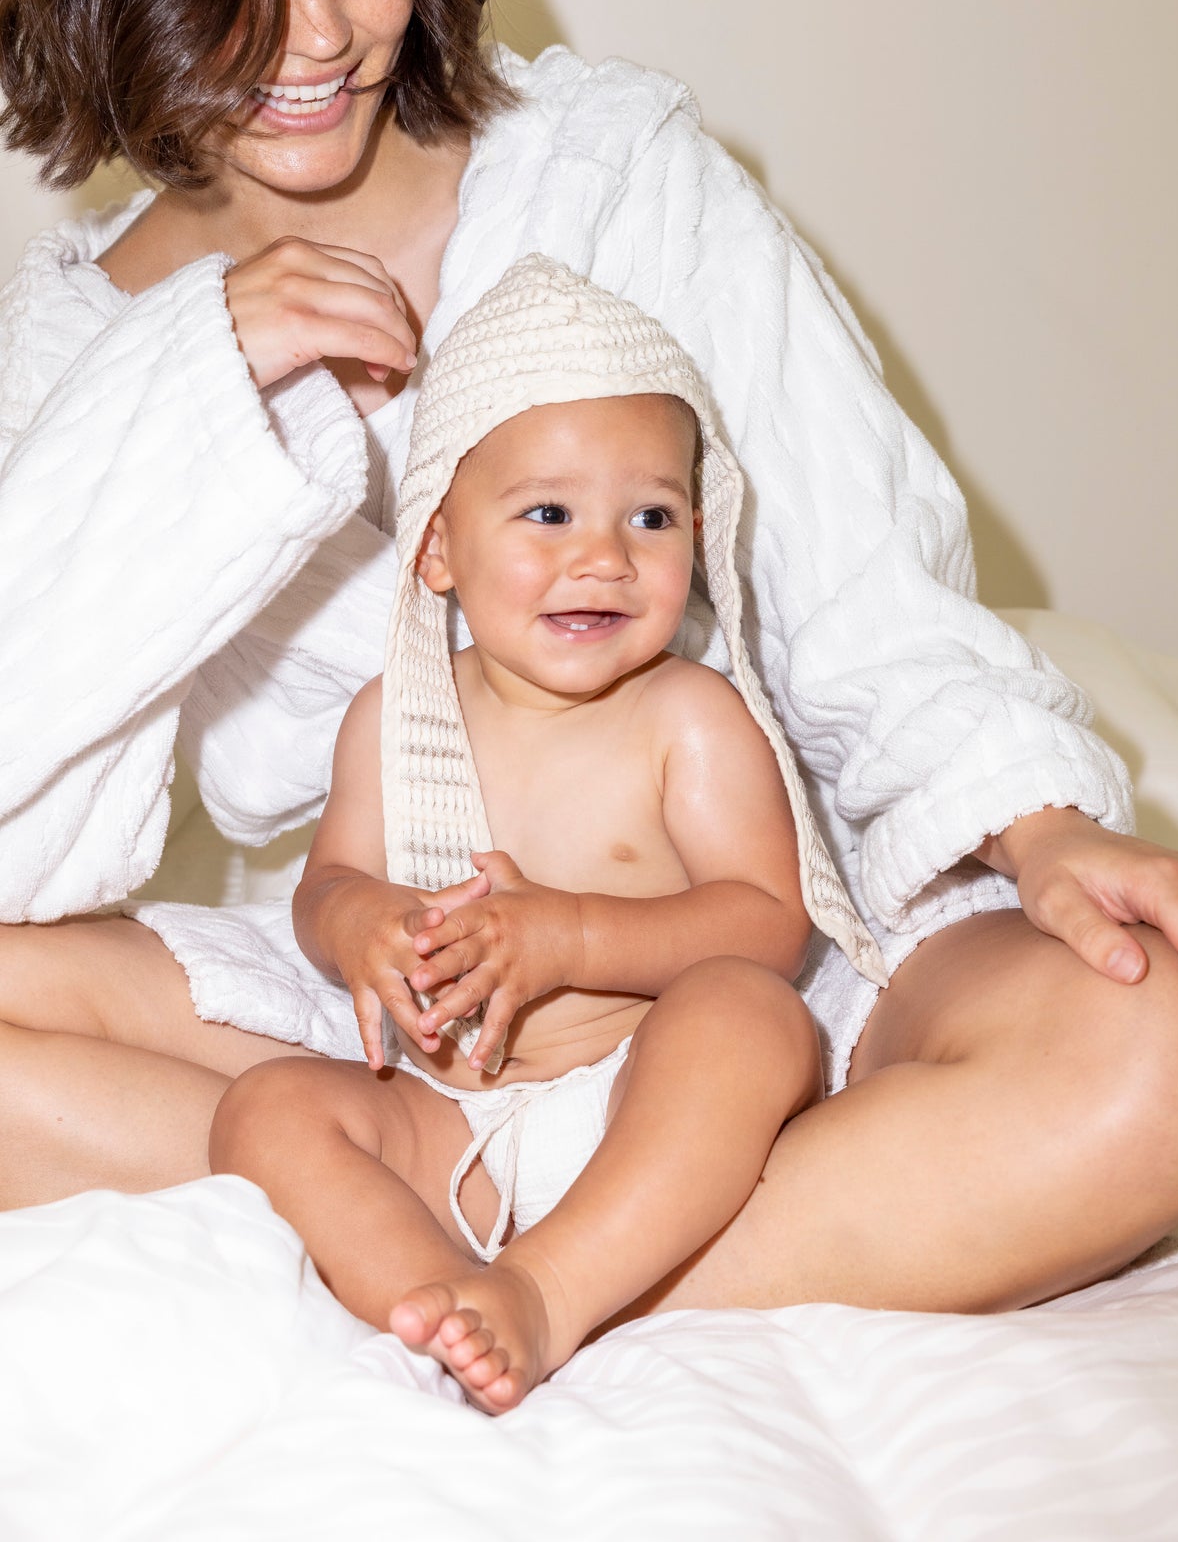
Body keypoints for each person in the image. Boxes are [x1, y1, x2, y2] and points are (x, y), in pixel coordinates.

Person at [0, 0, 1178, 1321]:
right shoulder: (74, 347)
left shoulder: (606, 171)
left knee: (1161, 1035)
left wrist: (1041, 826)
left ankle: (544, 1264)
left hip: (749, 968)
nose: (318, 31)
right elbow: (30, 823)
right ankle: (487, 1207)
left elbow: (848, 563)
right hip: (396, 1016)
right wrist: (201, 372)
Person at [213, 254, 859, 1411]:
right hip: (450, 1116)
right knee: (267, 1109)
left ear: (697, 537)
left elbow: (767, 920)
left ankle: (550, 1288)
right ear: (439, 549)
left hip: (634, 1105)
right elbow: (328, 882)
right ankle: (441, 1291)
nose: (602, 555)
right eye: (548, 512)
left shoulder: (686, 719)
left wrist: (565, 936)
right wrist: (357, 919)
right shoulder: (395, 717)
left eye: (649, 515)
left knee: (753, 1018)